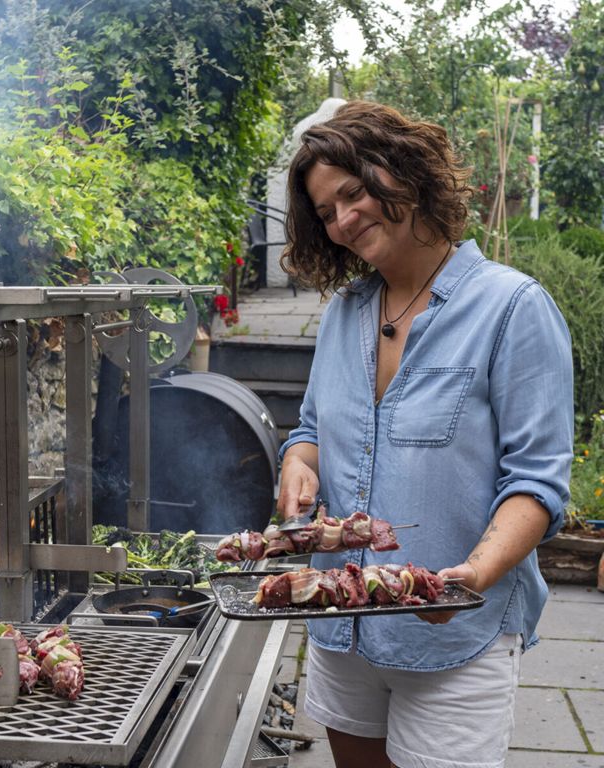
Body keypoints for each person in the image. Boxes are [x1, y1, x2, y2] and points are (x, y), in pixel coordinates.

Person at [276, 101, 573, 768]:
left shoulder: (513, 308)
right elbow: (312, 428)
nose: (344, 220)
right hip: (341, 627)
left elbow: (537, 482)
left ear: (404, 172)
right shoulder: (342, 317)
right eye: (326, 212)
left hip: (454, 635)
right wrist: (299, 460)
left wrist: (472, 576)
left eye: (353, 193)